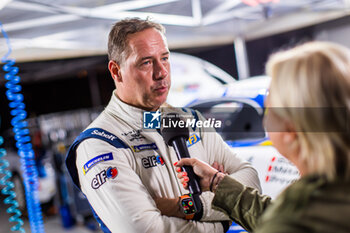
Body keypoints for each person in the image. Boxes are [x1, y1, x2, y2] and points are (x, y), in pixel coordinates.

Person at [65, 18, 261, 233]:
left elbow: (251, 184)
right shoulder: (98, 144)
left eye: (165, 58)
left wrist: (190, 208)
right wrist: (223, 219)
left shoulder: (191, 120)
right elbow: (144, 230)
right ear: (116, 71)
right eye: (146, 62)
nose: (162, 73)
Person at [174, 41, 350, 233]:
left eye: (269, 109)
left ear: (291, 129)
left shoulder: (296, 219)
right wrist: (217, 182)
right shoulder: (328, 195)